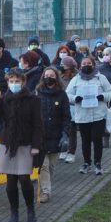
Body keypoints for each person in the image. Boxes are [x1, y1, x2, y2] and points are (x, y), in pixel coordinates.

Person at [0, 68, 43, 222]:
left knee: (24, 179)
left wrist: (36, 146)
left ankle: (30, 210)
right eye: (11, 81)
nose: (14, 84)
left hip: (25, 144)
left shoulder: (33, 100)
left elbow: (38, 125)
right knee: (10, 181)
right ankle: (14, 212)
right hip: (7, 143)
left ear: (23, 82)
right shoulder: (5, 98)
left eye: (17, 81)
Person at [66, 57, 111, 175]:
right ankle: (87, 162)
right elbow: (67, 94)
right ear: (80, 66)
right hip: (82, 115)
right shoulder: (75, 80)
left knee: (97, 140)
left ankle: (98, 163)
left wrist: (103, 96)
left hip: (98, 115)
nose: (86, 65)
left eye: (89, 63)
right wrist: (74, 99)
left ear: (93, 65)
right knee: (85, 140)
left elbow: (110, 92)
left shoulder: (101, 78)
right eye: (84, 63)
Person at [35, 67, 70, 203]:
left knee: (51, 166)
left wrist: (65, 134)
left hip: (56, 135)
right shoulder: (37, 93)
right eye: (46, 75)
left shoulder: (62, 95)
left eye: (52, 75)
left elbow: (66, 116)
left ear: (56, 78)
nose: (49, 77)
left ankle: (47, 186)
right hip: (41, 135)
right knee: (43, 165)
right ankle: (46, 192)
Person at [58, 55, 79, 163]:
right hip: (61, 107)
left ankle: (71, 152)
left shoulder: (77, 77)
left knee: (72, 131)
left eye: (63, 64)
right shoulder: (60, 77)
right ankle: (63, 149)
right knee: (63, 129)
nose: (61, 66)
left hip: (73, 107)